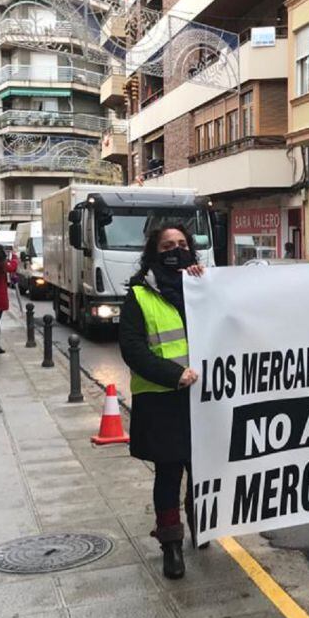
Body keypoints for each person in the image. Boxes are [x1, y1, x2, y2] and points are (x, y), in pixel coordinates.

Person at [119, 224, 206, 580]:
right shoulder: (139, 294)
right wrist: (174, 375)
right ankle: (171, 544)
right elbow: (132, 350)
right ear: (154, 252)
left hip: (202, 399)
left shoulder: (202, 286)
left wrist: (203, 282)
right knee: (170, 474)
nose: (177, 250)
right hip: (162, 400)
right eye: (168, 245)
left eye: (183, 244)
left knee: (202, 471)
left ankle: (203, 526)